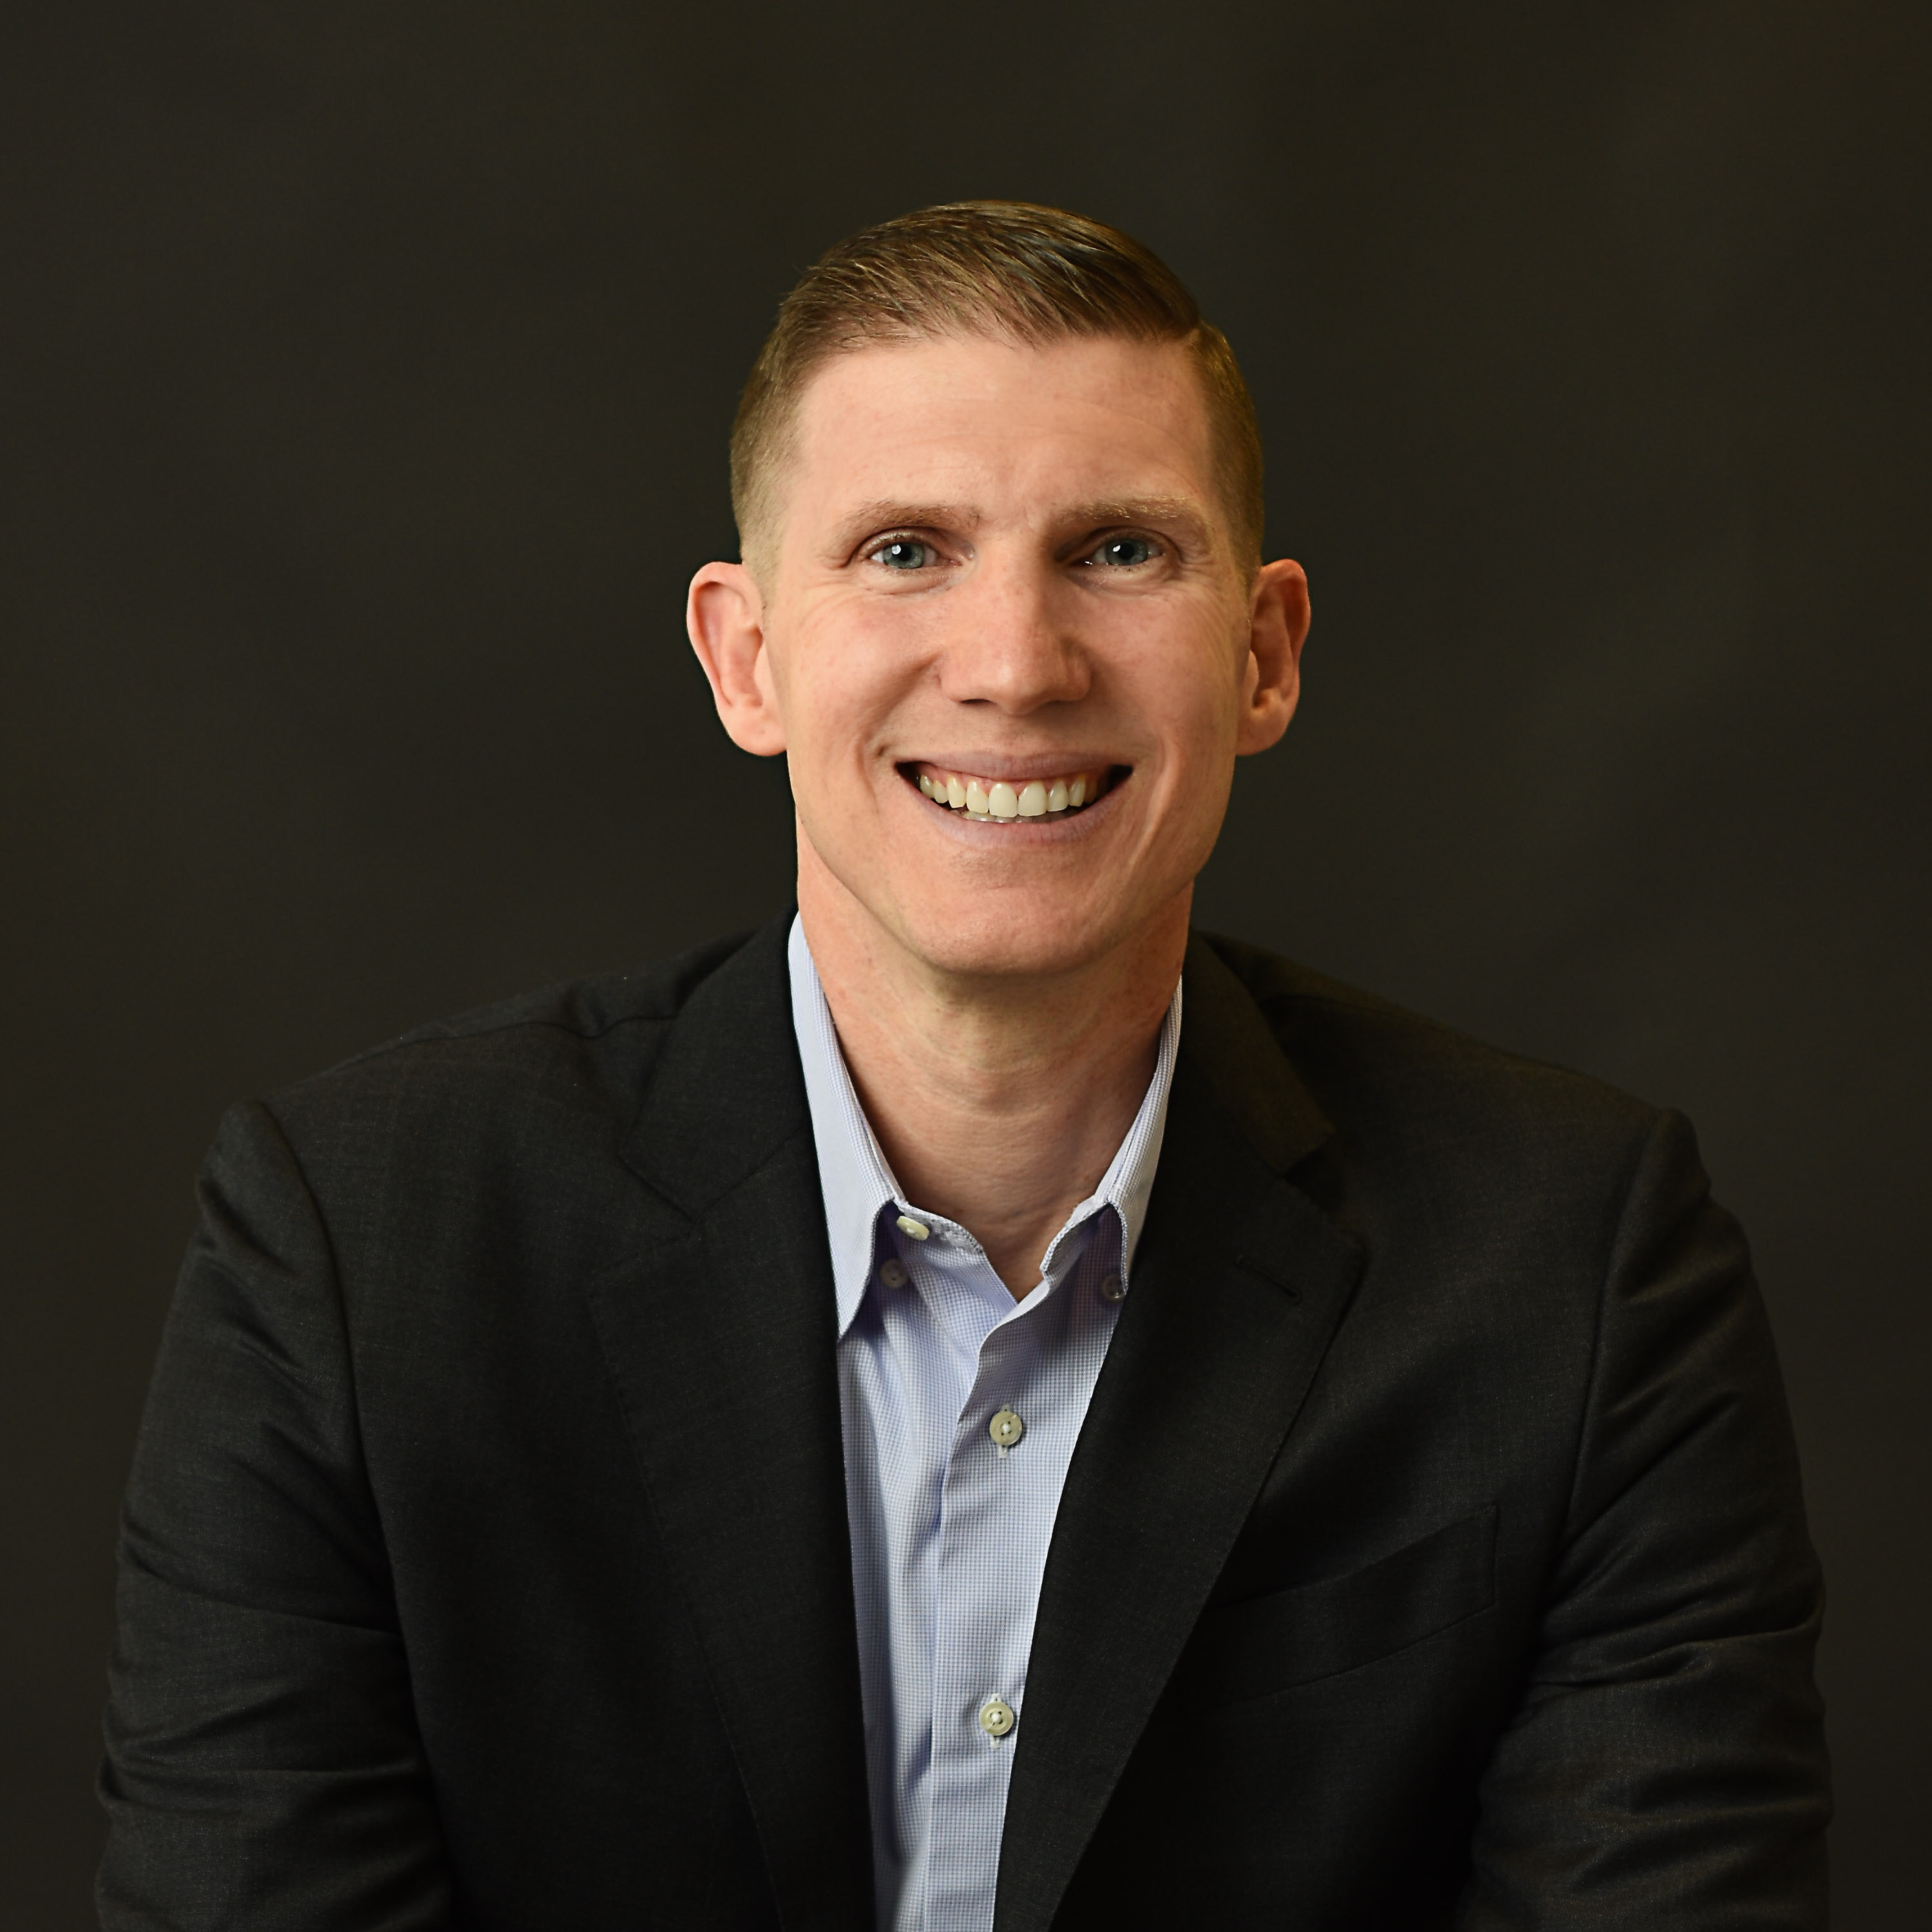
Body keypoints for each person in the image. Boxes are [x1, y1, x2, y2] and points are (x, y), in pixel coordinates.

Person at [98, 202, 1829, 1929]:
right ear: (747, 659)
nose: (1014, 665)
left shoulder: (1577, 1271)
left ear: (1264, 656)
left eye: (1121, 551)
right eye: (905, 550)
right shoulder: (358, 1249)